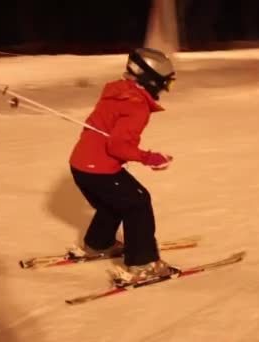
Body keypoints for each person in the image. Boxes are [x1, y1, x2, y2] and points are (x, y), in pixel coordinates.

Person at [68, 47, 176, 282]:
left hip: (80, 165)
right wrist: (150, 158)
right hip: (99, 168)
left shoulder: (117, 91)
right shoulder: (136, 105)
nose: (165, 89)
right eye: (165, 83)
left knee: (114, 201)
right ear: (152, 79)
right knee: (138, 202)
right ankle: (143, 264)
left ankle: (99, 243)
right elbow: (117, 146)